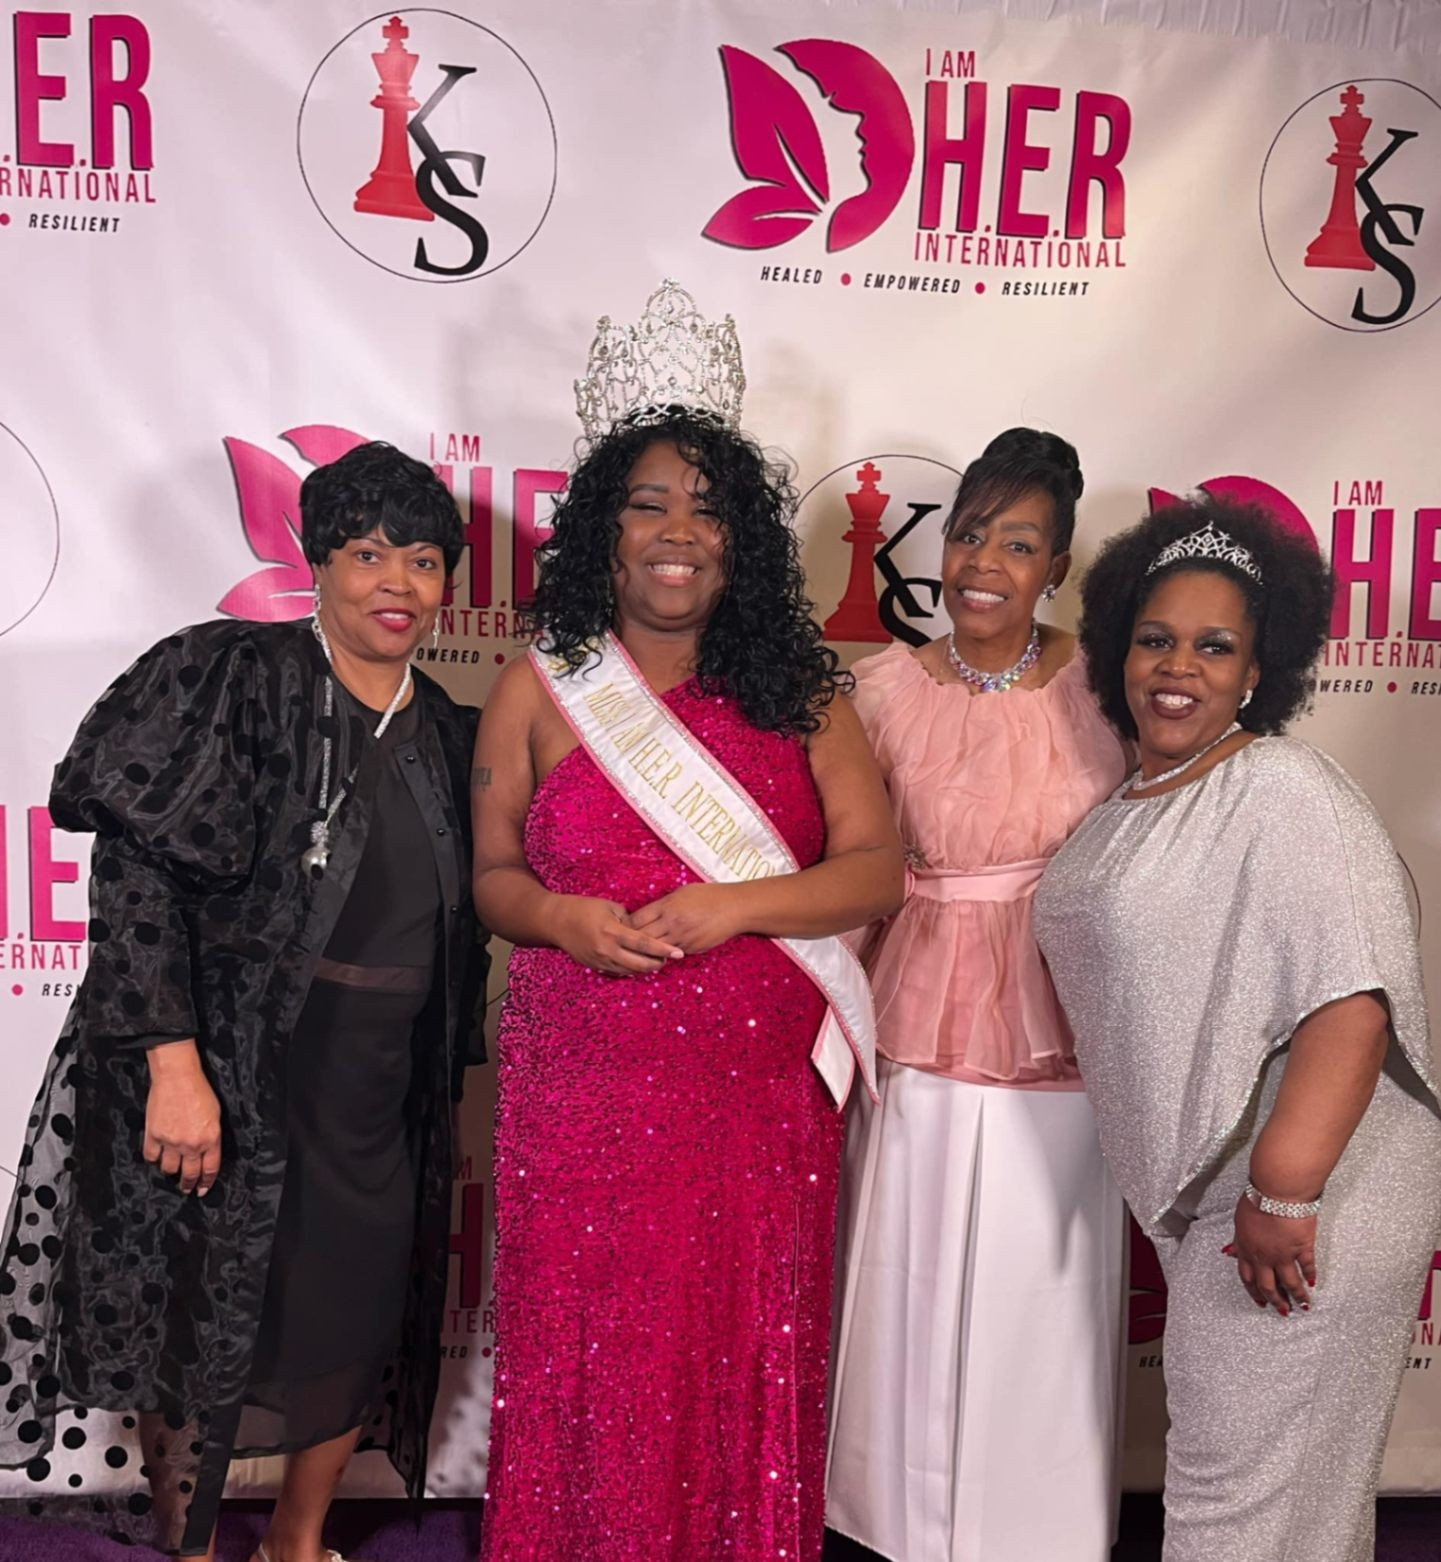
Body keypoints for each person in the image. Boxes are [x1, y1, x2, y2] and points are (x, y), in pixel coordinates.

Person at [472, 282, 904, 1561]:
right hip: (579, 1092)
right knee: (586, 1351)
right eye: (648, 502)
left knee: (732, 1350)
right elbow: (490, 875)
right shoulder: (537, 685)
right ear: (602, 534)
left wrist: (735, 906)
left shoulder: (804, 690)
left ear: (740, 541)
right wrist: (560, 916)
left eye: (707, 508)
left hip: (754, 1108)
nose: (677, 531)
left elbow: (875, 871)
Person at [0, 441, 488, 1562]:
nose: (398, 584)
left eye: (423, 561)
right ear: (317, 561)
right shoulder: (231, 674)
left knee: (353, 1319)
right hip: (229, 1069)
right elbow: (134, 880)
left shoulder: (452, 729)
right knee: (198, 1318)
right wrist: (172, 1064)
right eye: (368, 554)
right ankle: (193, 1548)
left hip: (376, 1089)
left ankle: (297, 1543)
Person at [1033, 498, 1441, 1562]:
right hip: (1229, 1191)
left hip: (1303, 1191)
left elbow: (1350, 1001)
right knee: (1286, 1509)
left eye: (1214, 647)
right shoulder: (1141, 796)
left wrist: (1282, 1191)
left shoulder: (1280, 787)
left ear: (1258, 670)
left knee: (1234, 1512)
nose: (1179, 667)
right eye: (1155, 639)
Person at [825, 429, 1130, 1562]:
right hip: (910, 1006)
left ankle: (1038, 1527)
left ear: (1057, 567)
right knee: (901, 1266)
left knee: (1037, 1279)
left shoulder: (1111, 690)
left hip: (1061, 1016)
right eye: (968, 535)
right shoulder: (878, 692)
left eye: (1018, 542)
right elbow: (848, 866)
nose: (983, 564)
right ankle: (888, 1525)